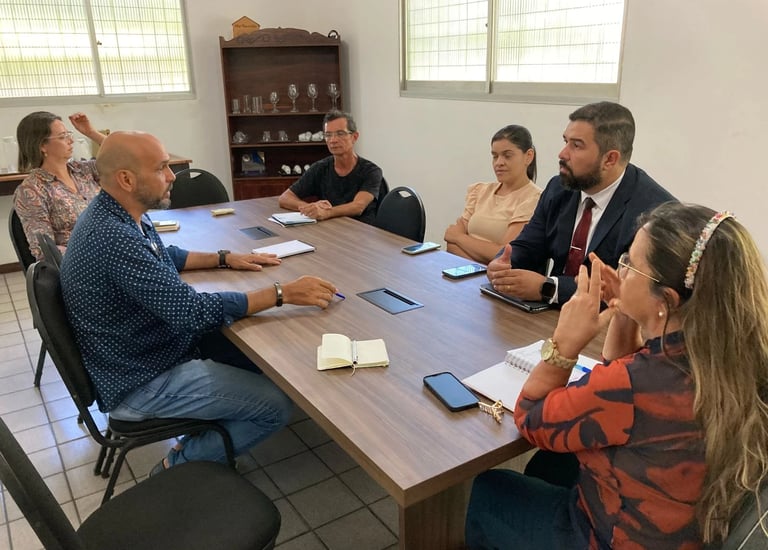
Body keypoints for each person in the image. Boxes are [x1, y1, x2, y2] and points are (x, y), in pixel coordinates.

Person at [466, 202, 768, 549]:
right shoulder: (729, 357)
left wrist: (564, 344)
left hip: (613, 538)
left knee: (491, 490)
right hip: (686, 530)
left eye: (631, 265)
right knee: (550, 466)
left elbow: (531, 417)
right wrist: (626, 310)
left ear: (666, 301)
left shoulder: (636, 383)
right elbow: (621, 385)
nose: (620, 271)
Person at [60, 131, 339, 473]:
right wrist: (281, 293)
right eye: (161, 168)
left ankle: (205, 429)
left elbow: (165, 254)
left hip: (147, 353)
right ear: (127, 179)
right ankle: (176, 466)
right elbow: (191, 312)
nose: (171, 176)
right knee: (276, 406)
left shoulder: (118, 213)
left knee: (263, 354)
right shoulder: (112, 236)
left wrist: (225, 258)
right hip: (141, 382)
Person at [486, 101, 675, 306]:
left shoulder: (656, 212)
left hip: (609, 319)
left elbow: (630, 290)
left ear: (610, 159)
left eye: (576, 145)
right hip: (548, 314)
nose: (562, 154)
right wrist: (502, 262)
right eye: (565, 141)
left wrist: (549, 288)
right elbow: (529, 243)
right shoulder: (559, 188)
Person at [13, 111, 108, 260]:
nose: (71, 141)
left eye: (69, 134)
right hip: (81, 264)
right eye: (63, 137)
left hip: (112, 251)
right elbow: (45, 250)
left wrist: (91, 132)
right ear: (42, 145)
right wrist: (94, 256)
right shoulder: (32, 190)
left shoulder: (83, 170)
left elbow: (126, 158)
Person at [443, 125, 541, 264]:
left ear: (528, 156)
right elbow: (451, 243)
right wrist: (485, 260)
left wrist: (460, 238)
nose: (499, 163)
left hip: (498, 277)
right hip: (461, 271)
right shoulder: (480, 191)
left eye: (507, 156)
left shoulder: (532, 198)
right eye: (495, 156)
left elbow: (505, 255)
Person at [278, 110, 384, 225]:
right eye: (328, 135)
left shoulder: (371, 171)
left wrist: (327, 212)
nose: (333, 140)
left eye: (340, 134)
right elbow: (285, 198)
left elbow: (358, 206)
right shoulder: (320, 168)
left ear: (354, 137)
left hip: (361, 230)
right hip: (330, 229)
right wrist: (310, 208)